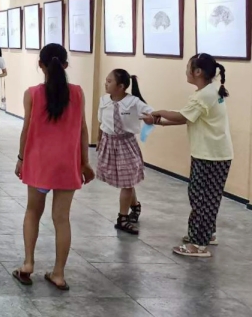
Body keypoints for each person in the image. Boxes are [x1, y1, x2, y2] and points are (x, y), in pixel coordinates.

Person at [13, 43, 94, 291]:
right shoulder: (77, 93)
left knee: (32, 212)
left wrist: (21, 158)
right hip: (67, 164)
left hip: (39, 163)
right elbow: (83, 129)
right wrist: (85, 162)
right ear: (66, 65)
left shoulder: (32, 94)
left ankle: (28, 263)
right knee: (62, 219)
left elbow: (26, 129)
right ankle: (58, 273)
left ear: (41, 65)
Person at [142, 53, 232, 258]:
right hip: (212, 153)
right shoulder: (210, 91)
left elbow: (182, 115)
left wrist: (159, 112)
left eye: (188, 67)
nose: (186, 71)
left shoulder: (205, 95)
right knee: (205, 197)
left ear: (197, 72)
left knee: (202, 198)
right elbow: (189, 118)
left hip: (211, 155)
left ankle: (198, 244)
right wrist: (158, 121)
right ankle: (206, 234)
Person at [97, 70, 153, 235]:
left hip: (126, 144)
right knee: (126, 181)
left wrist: (150, 118)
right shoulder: (104, 101)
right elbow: (101, 122)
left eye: (109, 81)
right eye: (106, 80)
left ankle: (122, 218)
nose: (106, 84)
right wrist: (99, 140)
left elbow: (151, 113)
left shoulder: (133, 102)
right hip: (109, 143)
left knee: (127, 181)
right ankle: (135, 206)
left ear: (121, 86)